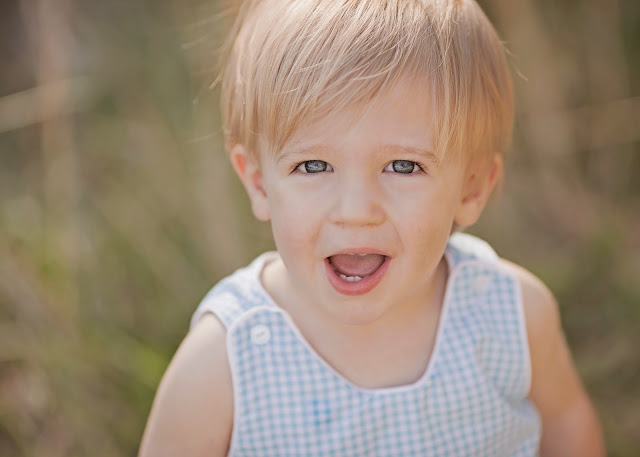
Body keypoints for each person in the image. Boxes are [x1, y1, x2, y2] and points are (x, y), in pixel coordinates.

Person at [139, 0, 605, 455]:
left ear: (471, 187)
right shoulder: (224, 362)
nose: (356, 211)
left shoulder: (509, 316)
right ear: (259, 183)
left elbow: (565, 421)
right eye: (313, 165)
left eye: (403, 166)